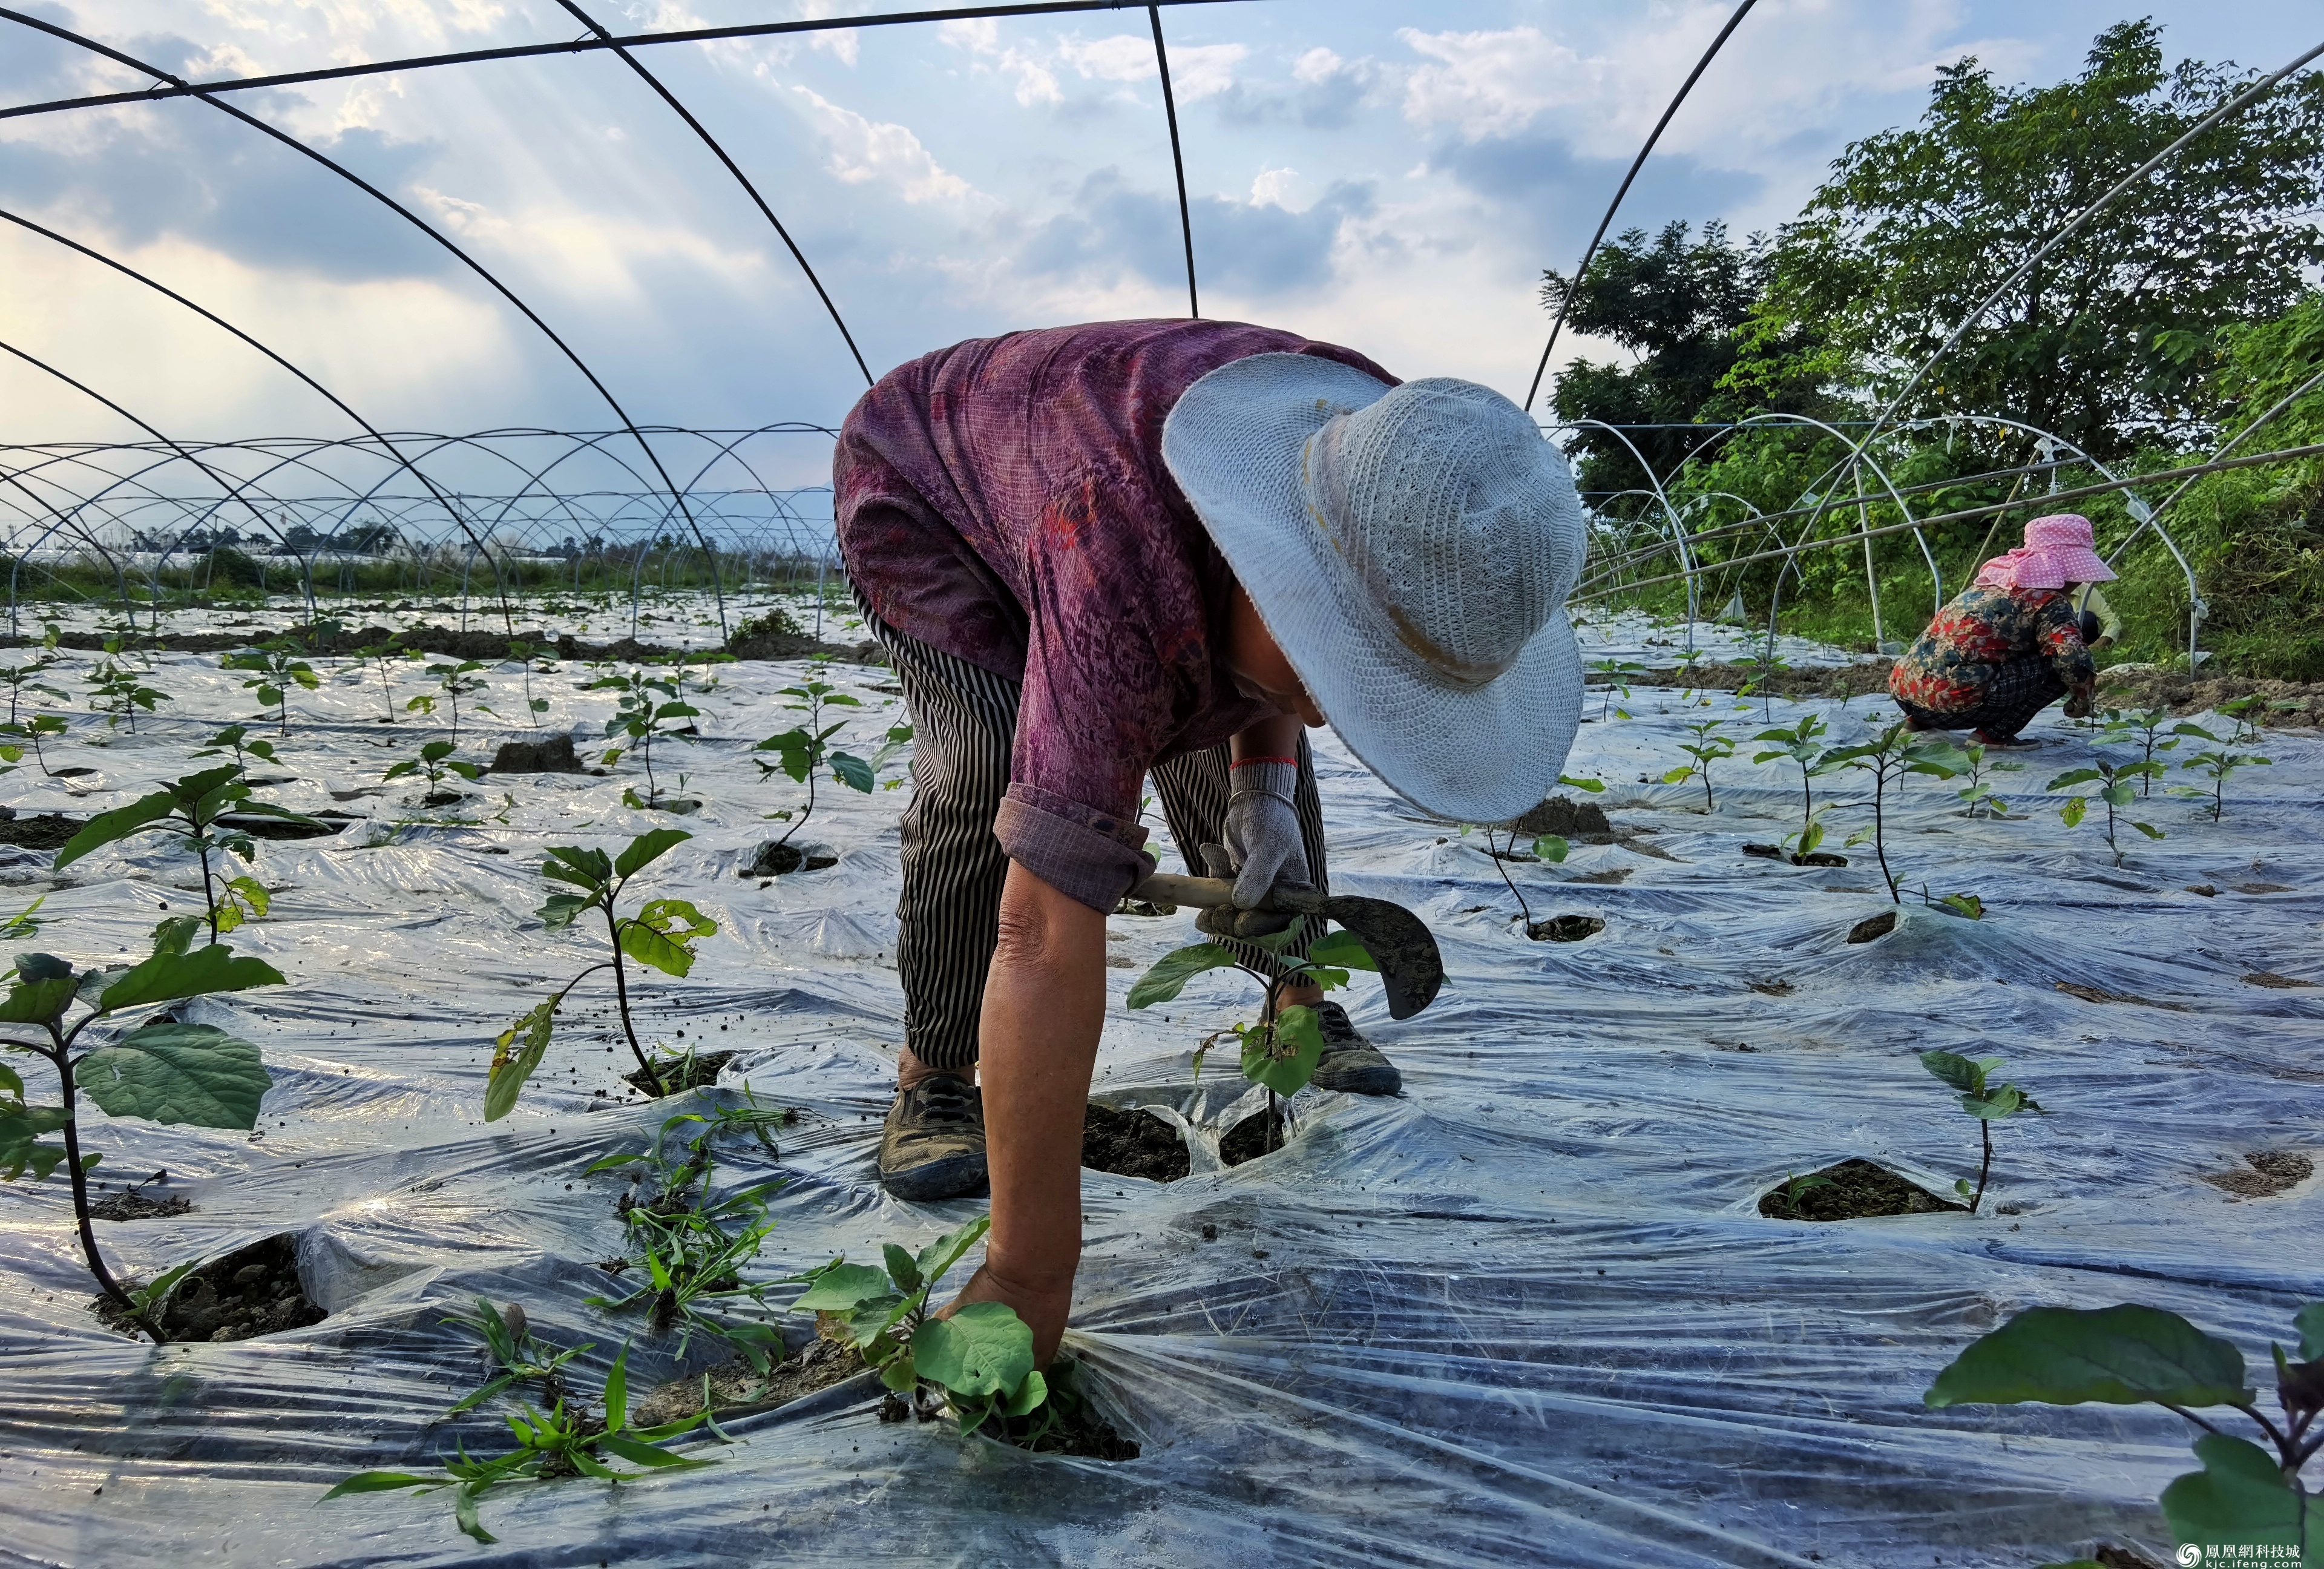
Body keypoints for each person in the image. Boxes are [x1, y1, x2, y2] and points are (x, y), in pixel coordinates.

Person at [833, 319, 1586, 1360]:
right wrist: (1027, 1273)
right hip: (929, 489)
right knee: (985, 769)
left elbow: (1285, 603)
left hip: (1119, 510)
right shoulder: (1121, 552)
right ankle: (935, 1075)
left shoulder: (1421, 467)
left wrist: (1267, 783)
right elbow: (1043, 930)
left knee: (1227, 696)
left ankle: (1294, 992)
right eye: (1337, 667)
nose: (1332, 716)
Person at [1888, 513, 2114, 746]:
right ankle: (1992, 736)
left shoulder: (1985, 587)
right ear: (2065, 571)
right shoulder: (2047, 601)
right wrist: (2083, 698)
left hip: (1905, 694)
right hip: (1957, 707)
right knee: (2057, 666)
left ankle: (1916, 722)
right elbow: (2073, 659)